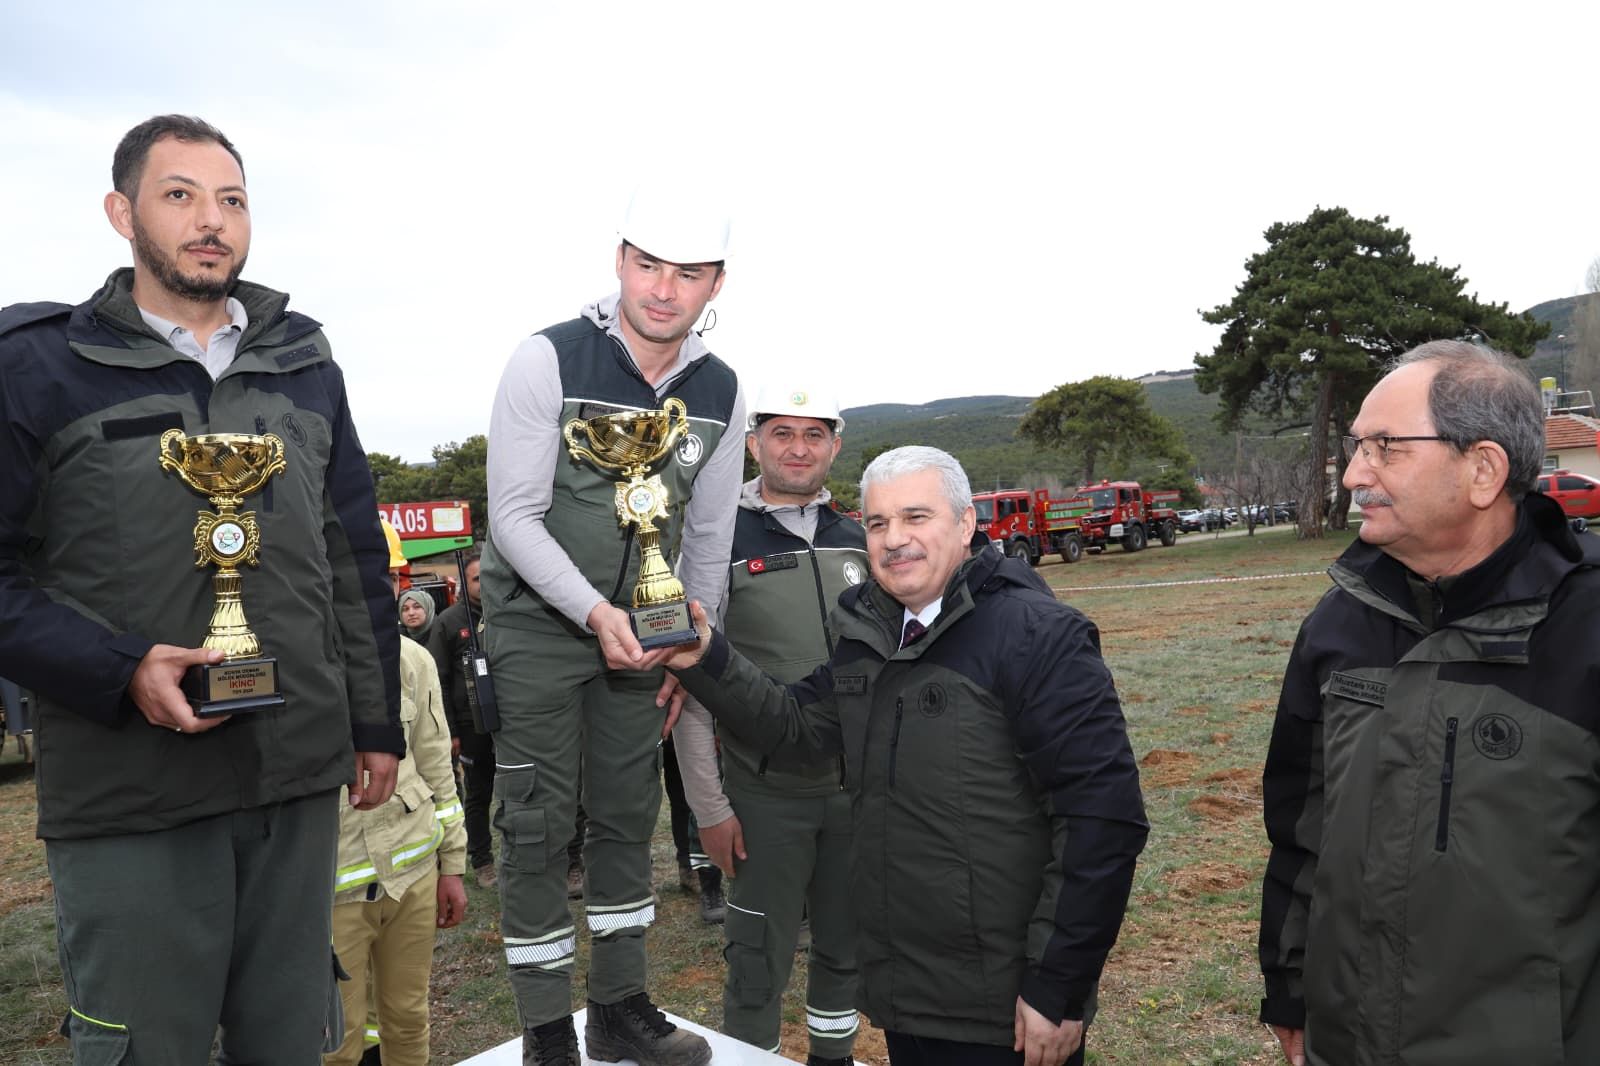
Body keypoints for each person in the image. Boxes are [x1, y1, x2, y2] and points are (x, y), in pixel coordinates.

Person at [0, 114, 402, 1062]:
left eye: (231, 200)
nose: (209, 221)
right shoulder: (37, 366)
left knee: (291, 1039)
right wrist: (120, 666)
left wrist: (375, 724)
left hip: (296, 776)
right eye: (178, 195)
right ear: (121, 212)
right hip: (133, 786)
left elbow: (353, 558)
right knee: (150, 1045)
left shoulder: (303, 360)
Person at [666, 446, 1148, 1066]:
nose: (895, 539)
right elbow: (794, 730)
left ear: (967, 524)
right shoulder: (870, 636)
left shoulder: (1037, 635)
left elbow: (1101, 822)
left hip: (1003, 1007)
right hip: (906, 993)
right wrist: (704, 656)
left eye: (916, 517)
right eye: (876, 523)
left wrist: (1059, 985)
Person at [1258, 340, 1600, 1066]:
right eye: (1356, 447)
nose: (1354, 474)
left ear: (1483, 469)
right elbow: (1300, 829)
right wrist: (1290, 988)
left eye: (1386, 448)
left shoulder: (1587, 627)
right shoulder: (1338, 622)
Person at [479, 183, 744, 1066]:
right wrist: (594, 613)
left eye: (690, 273)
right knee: (537, 823)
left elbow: (707, 535)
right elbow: (513, 515)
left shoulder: (722, 387)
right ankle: (547, 1029)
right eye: (648, 265)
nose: (664, 289)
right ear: (620, 261)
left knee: (629, 814)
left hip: (647, 641)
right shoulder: (545, 360)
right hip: (541, 627)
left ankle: (620, 1007)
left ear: (718, 284)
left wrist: (689, 648)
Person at [672, 384, 868, 1063]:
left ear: (835, 446)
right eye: (782, 433)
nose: (798, 449)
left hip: (857, 794)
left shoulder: (860, 538)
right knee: (756, 962)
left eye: (814, 435)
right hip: (764, 798)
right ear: (754, 442)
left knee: (845, 951)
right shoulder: (718, 535)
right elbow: (693, 677)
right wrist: (710, 807)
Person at [326, 577, 467, 1066]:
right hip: (330, 893)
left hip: (412, 881)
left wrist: (452, 865)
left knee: (407, 1019)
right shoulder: (299, 667)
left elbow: (436, 767)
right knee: (335, 1040)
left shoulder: (412, 660)